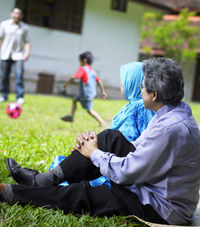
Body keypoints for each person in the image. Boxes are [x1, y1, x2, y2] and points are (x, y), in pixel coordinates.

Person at [2, 58, 200, 225]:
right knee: (110, 137)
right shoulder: (173, 110)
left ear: (154, 95)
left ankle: (14, 193)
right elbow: (139, 147)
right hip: (153, 183)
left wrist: (93, 154)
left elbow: (127, 172)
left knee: (88, 194)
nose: (140, 91)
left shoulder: (169, 128)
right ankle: (42, 180)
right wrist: (89, 151)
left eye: (143, 87)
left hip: (161, 206)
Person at [60, 51, 107, 126]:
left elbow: (74, 77)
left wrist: (66, 84)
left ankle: (102, 122)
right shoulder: (92, 71)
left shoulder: (83, 69)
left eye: (80, 61)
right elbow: (99, 81)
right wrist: (103, 91)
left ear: (84, 60)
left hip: (85, 94)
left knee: (89, 111)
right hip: (89, 93)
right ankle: (71, 116)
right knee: (75, 99)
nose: (80, 63)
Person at [0, 7, 31, 104]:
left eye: (19, 14)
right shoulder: (4, 24)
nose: (17, 15)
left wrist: (27, 53)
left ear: (21, 16)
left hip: (18, 55)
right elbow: (0, 39)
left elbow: (27, 42)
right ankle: (4, 95)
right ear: (11, 14)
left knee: (19, 76)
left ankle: (20, 97)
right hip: (5, 54)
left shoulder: (24, 28)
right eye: (15, 13)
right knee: (4, 76)